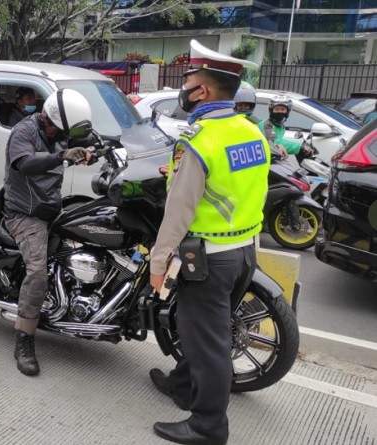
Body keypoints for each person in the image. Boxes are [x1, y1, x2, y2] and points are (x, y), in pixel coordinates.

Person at [149, 39, 269, 445]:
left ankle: (208, 427)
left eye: (188, 80)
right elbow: (242, 186)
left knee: (208, 343)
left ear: (202, 91)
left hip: (208, 259)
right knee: (204, 331)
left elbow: (178, 213)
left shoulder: (199, 141)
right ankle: (182, 386)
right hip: (244, 252)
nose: (183, 87)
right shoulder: (251, 132)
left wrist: (159, 264)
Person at [4, 88, 94, 377]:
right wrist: (62, 157)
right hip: (25, 213)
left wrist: (105, 146)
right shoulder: (24, 133)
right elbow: (25, 163)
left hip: (51, 206)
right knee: (37, 271)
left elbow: (88, 137)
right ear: (49, 121)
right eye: (62, 132)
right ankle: (24, 338)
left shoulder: (59, 132)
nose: (64, 137)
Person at [235, 82, 288, 158]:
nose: (243, 108)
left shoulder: (254, 123)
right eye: (240, 106)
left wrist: (275, 146)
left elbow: (261, 142)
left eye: (246, 106)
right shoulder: (229, 122)